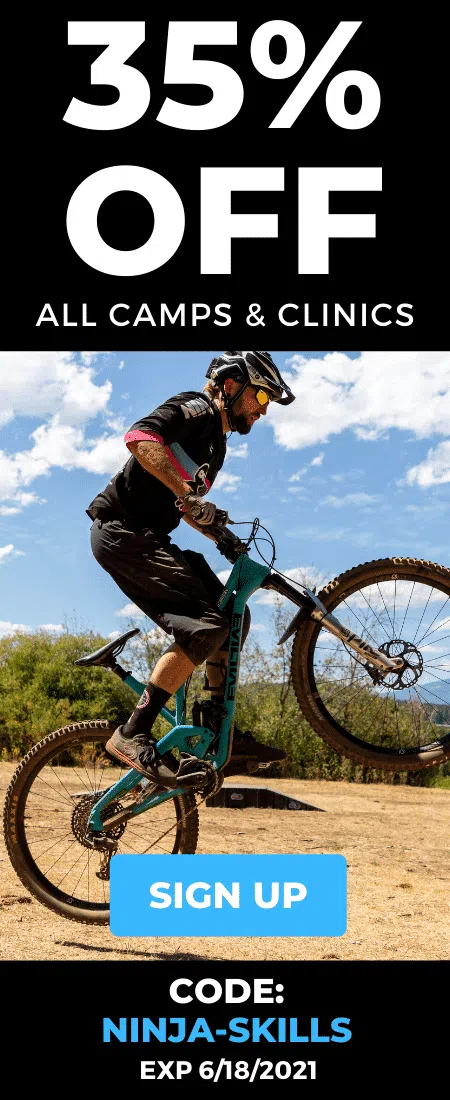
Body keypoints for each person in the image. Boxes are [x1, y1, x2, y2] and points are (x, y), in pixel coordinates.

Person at [87, 351, 295, 786]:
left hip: (148, 536)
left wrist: (220, 535)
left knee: (234, 614)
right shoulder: (196, 408)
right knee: (204, 628)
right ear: (231, 385)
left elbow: (186, 505)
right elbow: (141, 438)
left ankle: (219, 729)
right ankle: (132, 732)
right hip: (122, 532)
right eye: (260, 396)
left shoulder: (216, 447)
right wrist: (188, 493)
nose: (262, 410)